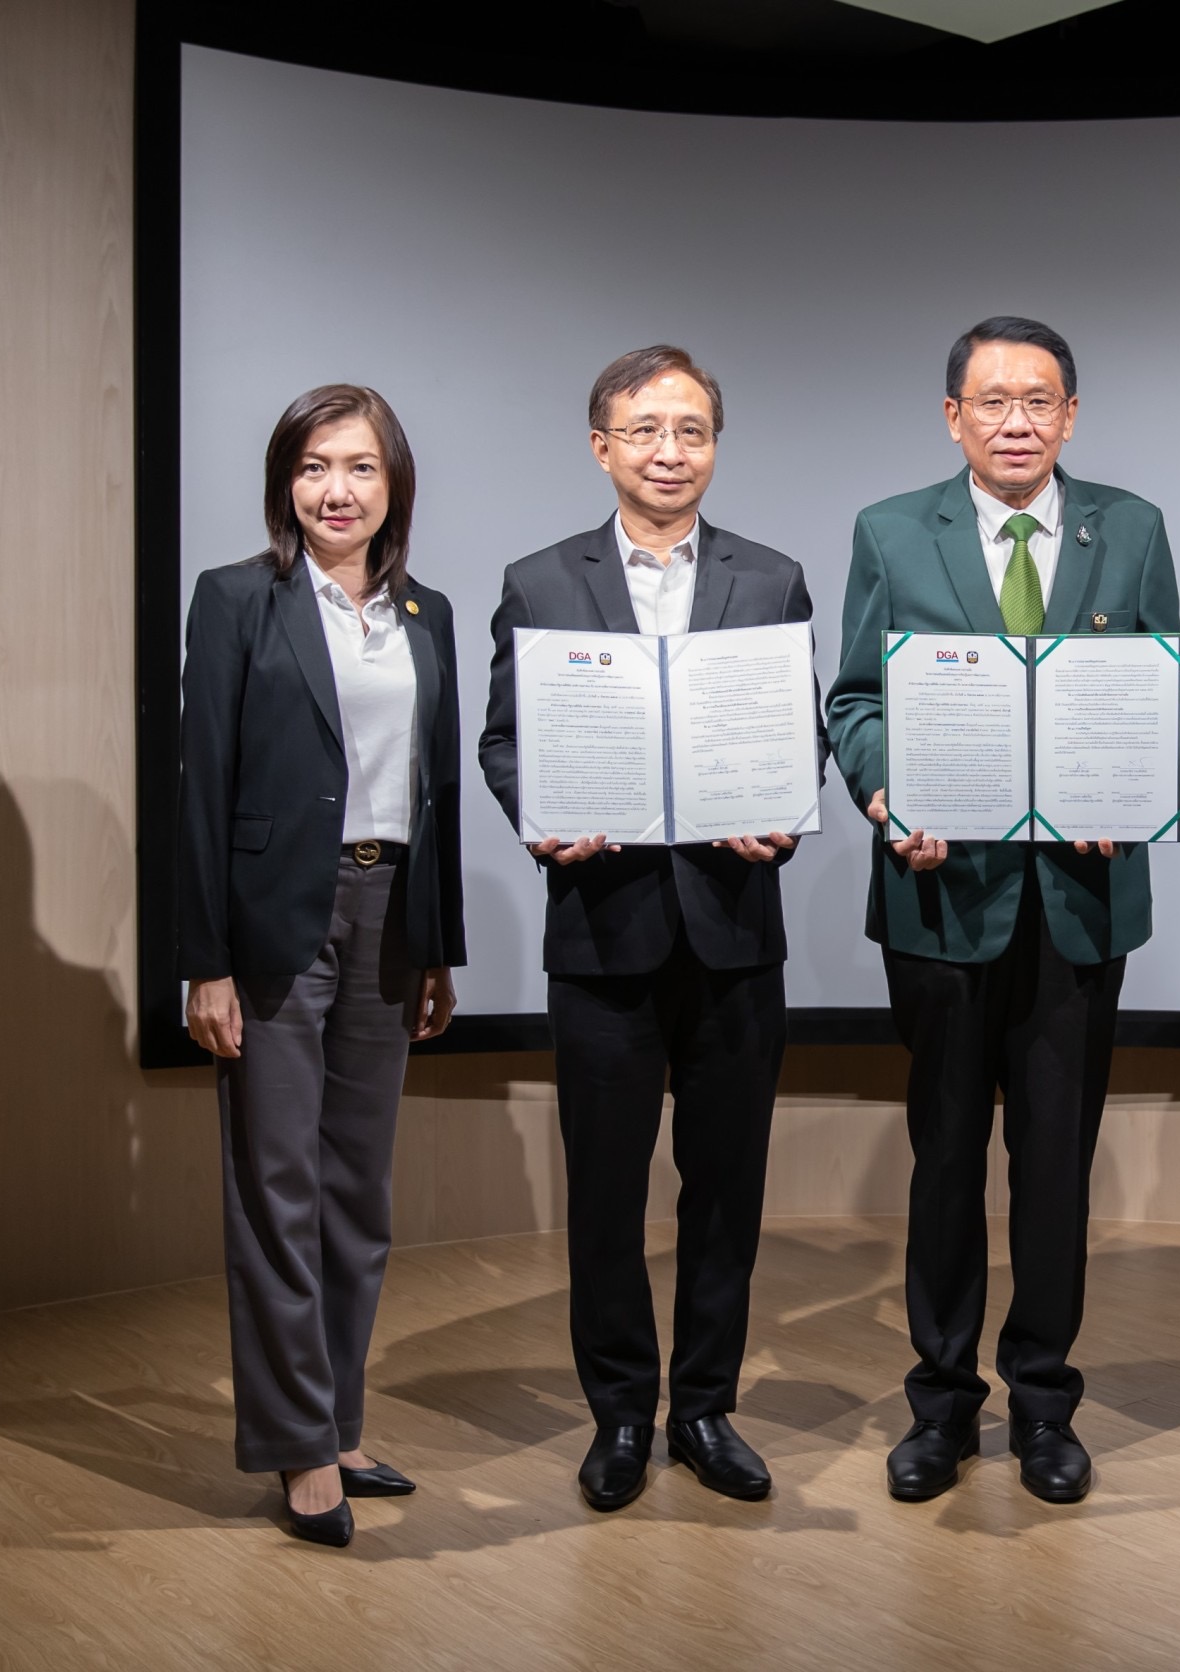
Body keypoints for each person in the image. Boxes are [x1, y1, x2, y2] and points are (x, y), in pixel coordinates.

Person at [826, 316, 1180, 1505]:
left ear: (1071, 415)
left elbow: (1169, 683)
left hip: (1080, 902)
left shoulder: (1129, 526)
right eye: (992, 402)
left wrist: (1132, 777)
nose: (1016, 422)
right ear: (953, 417)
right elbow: (853, 698)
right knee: (944, 1164)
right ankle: (939, 1406)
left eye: (1039, 400)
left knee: (1055, 1170)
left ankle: (1046, 1406)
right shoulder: (891, 530)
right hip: (941, 900)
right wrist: (887, 793)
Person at [480, 346, 814, 1511]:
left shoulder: (772, 578)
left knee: (727, 1188)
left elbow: (797, 733)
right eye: (645, 430)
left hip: (733, 934)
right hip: (603, 933)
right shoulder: (539, 580)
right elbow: (507, 742)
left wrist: (784, 816)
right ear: (601, 446)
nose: (669, 452)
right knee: (608, 1193)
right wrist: (539, 819)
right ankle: (621, 1413)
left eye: (691, 430)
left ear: (714, 445)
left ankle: (707, 1409)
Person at [177, 384, 465, 1547]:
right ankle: (299, 1448)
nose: (334, 490)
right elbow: (201, 793)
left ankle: (341, 1420)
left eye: (358, 467)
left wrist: (439, 943)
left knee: (358, 1194)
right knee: (276, 1192)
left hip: (390, 915)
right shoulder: (239, 599)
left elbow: (431, 794)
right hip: (272, 925)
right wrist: (204, 963)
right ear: (284, 483)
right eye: (312, 467)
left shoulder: (426, 613)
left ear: (393, 485)